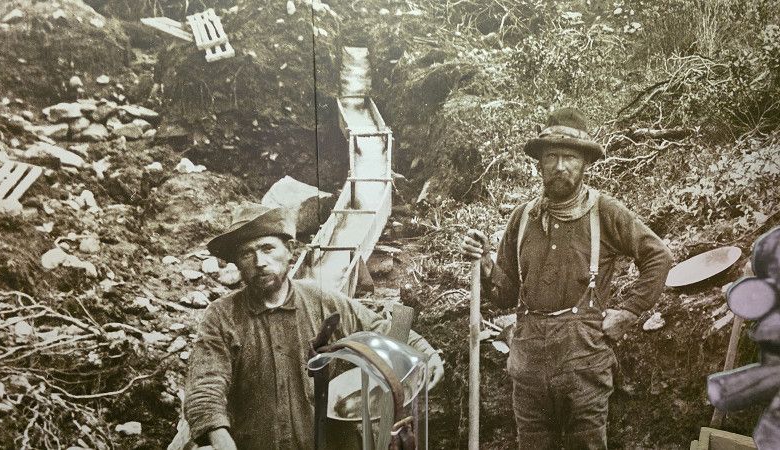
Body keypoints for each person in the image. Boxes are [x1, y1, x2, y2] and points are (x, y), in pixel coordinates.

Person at [459, 107, 672, 449]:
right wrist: (485, 264)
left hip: (584, 361)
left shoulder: (605, 212)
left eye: (570, 157)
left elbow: (658, 256)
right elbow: (506, 295)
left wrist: (630, 311)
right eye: (551, 156)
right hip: (528, 363)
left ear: (585, 164)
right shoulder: (522, 218)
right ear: (539, 164)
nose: (560, 166)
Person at [183, 203, 444, 450]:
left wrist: (426, 354)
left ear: (290, 250)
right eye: (246, 254)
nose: (259, 261)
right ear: (238, 264)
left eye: (267, 248)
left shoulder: (322, 301)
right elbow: (206, 386)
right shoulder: (221, 316)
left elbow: (380, 328)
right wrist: (219, 437)